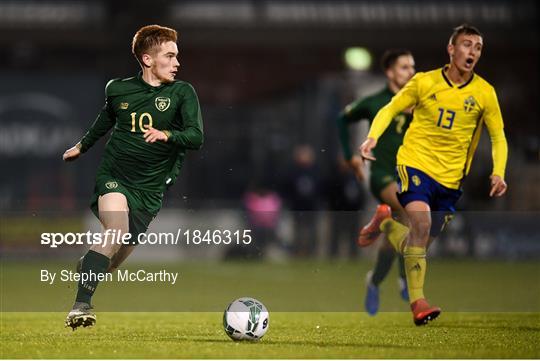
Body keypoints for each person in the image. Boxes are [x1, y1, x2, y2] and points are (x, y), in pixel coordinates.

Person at [359, 24, 508, 325]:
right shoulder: (424, 82)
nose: (473, 52)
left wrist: (499, 172)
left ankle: (386, 224)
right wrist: (372, 137)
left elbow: (498, 137)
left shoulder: (484, 93)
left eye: (478, 47)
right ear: (451, 49)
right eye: (467, 45)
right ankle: (418, 303)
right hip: (415, 164)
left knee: (418, 241)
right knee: (421, 223)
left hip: (451, 179)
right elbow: (390, 109)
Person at [62, 25, 204, 329]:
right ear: (148, 59)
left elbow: (196, 136)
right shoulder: (118, 88)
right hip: (115, 178)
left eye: (177, 55)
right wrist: (81, 146)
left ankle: (89, 267)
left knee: (111, 263)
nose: (177, 62)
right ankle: (80, 306)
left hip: (150, 190)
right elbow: (105, 119)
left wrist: (166, 134)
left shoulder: (182, 93)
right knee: (115, 233)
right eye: (170, 55)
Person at [337, 49, 415, 315]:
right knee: (409, 212)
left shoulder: (420, 102)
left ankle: (374, 281)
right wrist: (350, 157)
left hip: (410, 173)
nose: (410, 72)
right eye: (404, 67)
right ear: (390, 72)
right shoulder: (375, 101)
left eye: (412, 67)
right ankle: (405, 278)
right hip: (381, 173)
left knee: (399, 233)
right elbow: (342, 119)